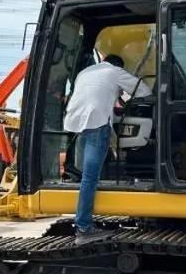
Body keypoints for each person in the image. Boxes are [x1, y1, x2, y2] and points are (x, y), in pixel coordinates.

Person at [63, 53, 152, 244]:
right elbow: (144, 91)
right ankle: (84, 228)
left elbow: (95, 96)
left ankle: (83, 221)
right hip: (96, 122)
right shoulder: (115, 72)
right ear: (118, 65)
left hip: (76, 123)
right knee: (90, 177)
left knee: (84, 173)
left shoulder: (84, 73)